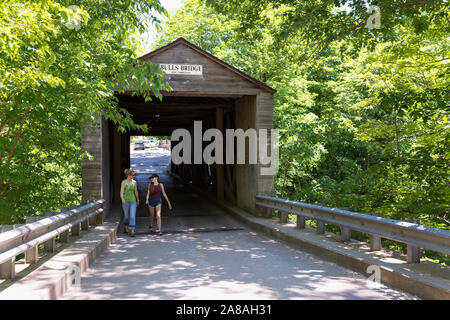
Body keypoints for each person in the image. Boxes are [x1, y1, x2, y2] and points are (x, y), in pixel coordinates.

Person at [120, 168, 139, 237]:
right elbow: (121, 192)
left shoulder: (134, 182)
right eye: (132, 175)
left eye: (134, 175)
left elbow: (136, 191)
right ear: (128, 175)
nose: (133, 176)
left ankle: (132, 230)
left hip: (133, 200)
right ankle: (125, 226)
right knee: (126, 216)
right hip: (125, 201)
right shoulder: (123, 182)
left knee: (132, 216)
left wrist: (138, 200)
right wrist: (122, 199)